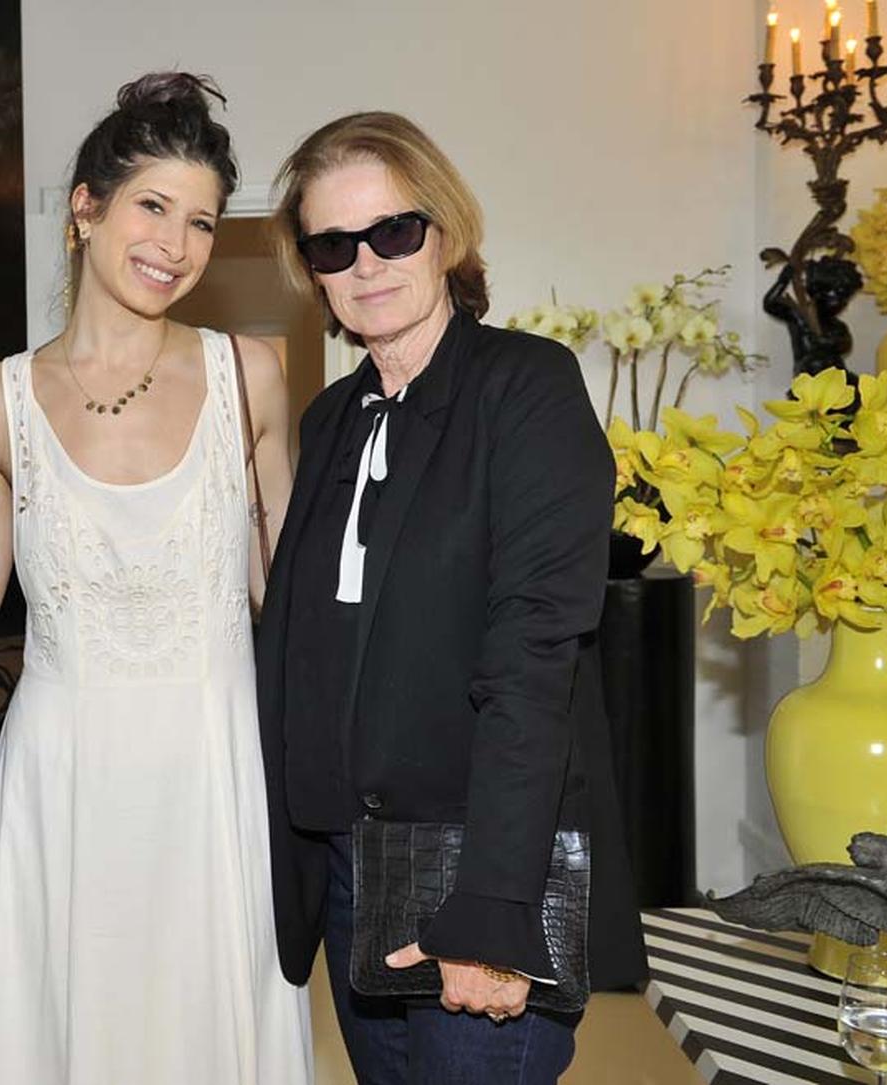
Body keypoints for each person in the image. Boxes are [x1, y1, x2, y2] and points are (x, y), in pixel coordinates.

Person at [257, 111, 648, 1085]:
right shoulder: (332, 418)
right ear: (311, 269)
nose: (369, 263)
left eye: (395, 230)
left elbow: (535, 661)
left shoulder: (524, 386)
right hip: (350, 871)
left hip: (478, 869)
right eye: (335, 244)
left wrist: (492, 908)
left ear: (446, 231)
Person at [0, 72, 312, 1084]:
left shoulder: (250, 376)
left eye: (201, 221)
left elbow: (286, 598)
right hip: (64, 781)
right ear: (85, 208)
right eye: (153, 206)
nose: (177, 243)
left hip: (215, 775)